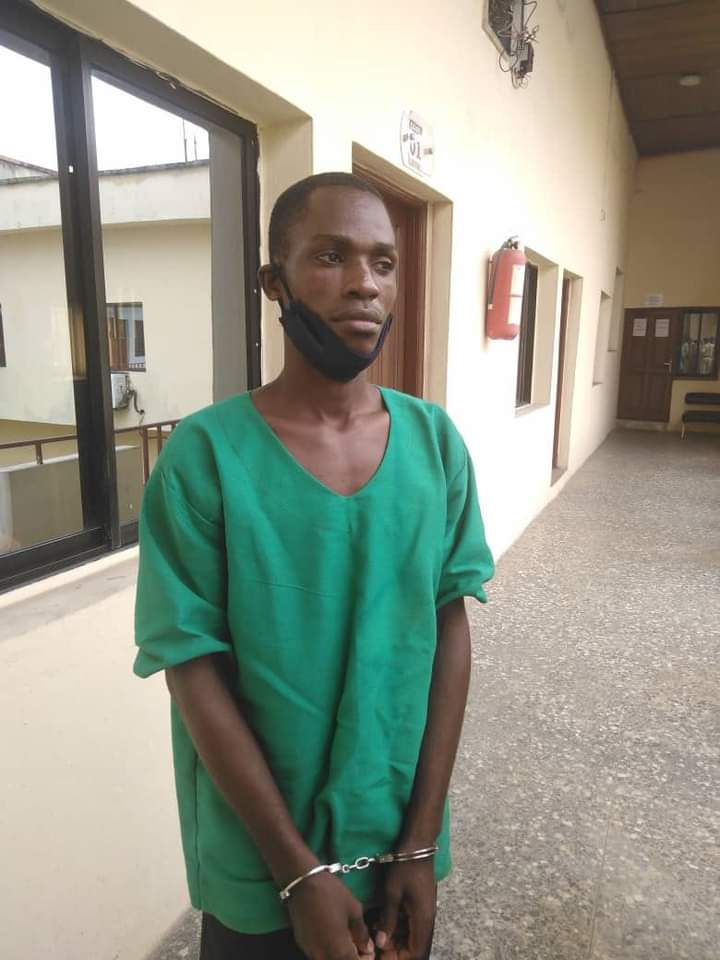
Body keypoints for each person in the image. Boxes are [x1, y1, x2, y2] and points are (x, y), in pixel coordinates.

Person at [134, 172, 494, 960]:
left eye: (383, 262)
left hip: (396, 842)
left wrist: (420, 840)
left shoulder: (434, 444)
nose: (365, 283)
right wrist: (296, 873)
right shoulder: (206, 455)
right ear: (275, 282)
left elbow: (449, 631)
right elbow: (190, 666)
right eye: (331, 257)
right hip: (261, 861)